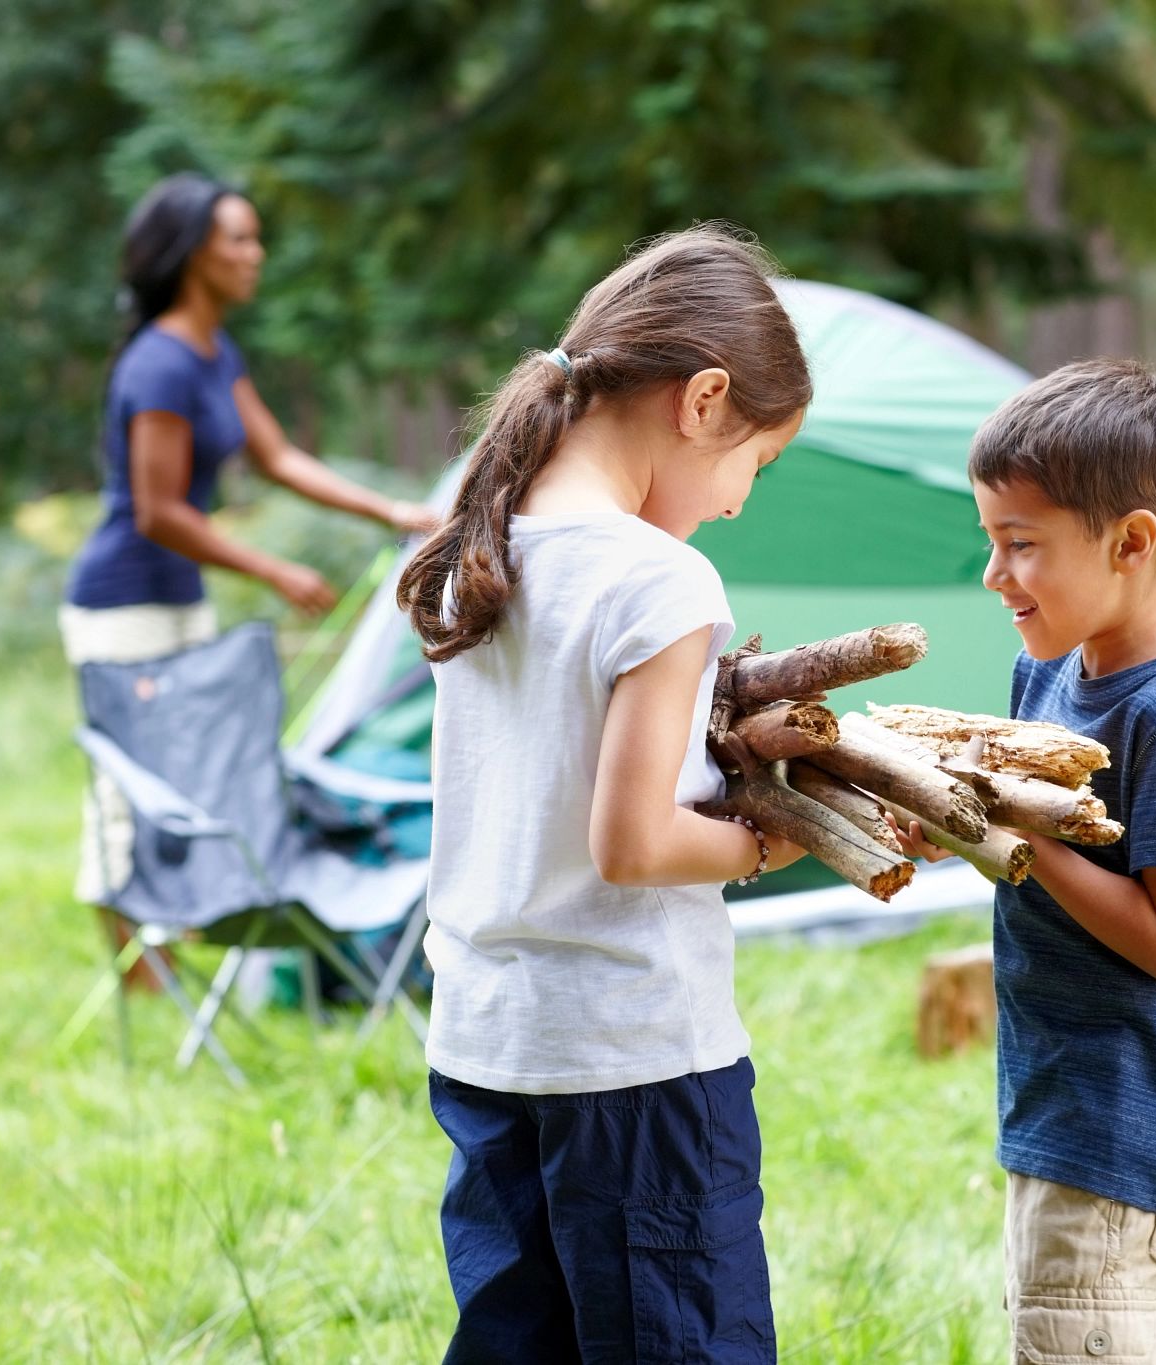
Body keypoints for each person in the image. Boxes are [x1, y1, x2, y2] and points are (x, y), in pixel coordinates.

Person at [396, 225, 812, 1363]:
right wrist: (770, 846)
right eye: (756, 463)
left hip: (488, 1045)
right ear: (704, 400)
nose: (737, 503)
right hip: (635, 1064)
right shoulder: (658, 578)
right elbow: (631, 844)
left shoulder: (483, 541)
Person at [893, 360, 1156, 1363]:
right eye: (990, 540)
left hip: (1126, 1131)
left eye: (1021, 545)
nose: (993, 573)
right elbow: (1019, 836)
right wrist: (953, 826)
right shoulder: (1047, 671)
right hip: (1059, 1103)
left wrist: (1021, 840)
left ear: (1131, 542)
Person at [60, 172, 436, 967]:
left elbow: (279, 457)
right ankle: (138, 976)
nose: (255, 253)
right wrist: (274, 570)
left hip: (180, 598)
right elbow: (157, 511)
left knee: (186, 773)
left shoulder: (212, 351)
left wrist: (390, 511)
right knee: (130, 782)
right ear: (192, 253)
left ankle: (166, 955)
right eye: (239, 238)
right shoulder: (159, 364)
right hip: (121, 603)